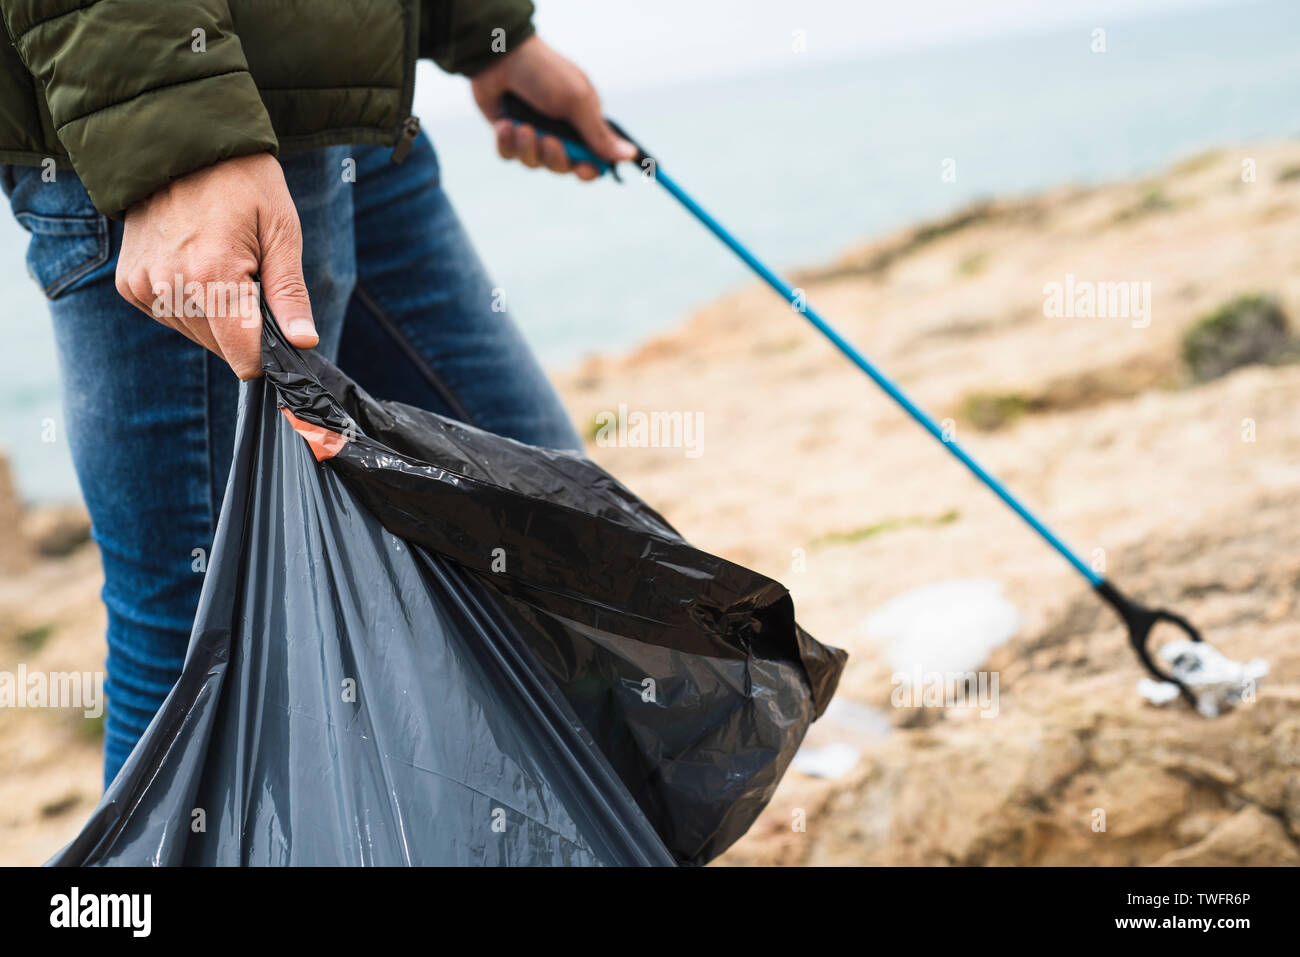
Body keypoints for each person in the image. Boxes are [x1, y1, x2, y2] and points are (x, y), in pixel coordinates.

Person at [0, 0, 635, 787]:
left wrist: (489, 34)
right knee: (203, 636)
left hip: (349, 104)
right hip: (191, 141)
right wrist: (176, 127)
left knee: (546, 535)